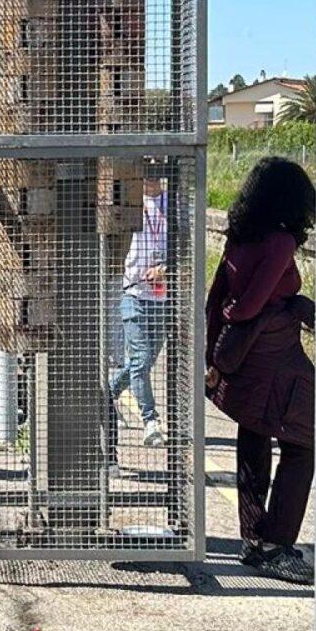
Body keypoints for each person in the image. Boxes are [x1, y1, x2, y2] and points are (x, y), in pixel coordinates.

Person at [205, 155, 316, 582]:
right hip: (275, 362)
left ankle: (252, 539)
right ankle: (277, 545)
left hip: (244, 364)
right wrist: (290, 305)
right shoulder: (280, 242)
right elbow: (249, 303)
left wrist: (212, 357)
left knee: (253, 438)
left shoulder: (240, 235)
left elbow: (217, 297)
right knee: (303, 444)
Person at [106, 177, 171, 450]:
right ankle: (150, 421)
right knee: (141, 359)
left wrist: (164, 269)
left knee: (143, 362)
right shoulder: (129, 203)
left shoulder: (173, 204)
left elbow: (185, 246)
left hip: (163, 295)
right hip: (133, 292)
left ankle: (107, 391)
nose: (151, 177)